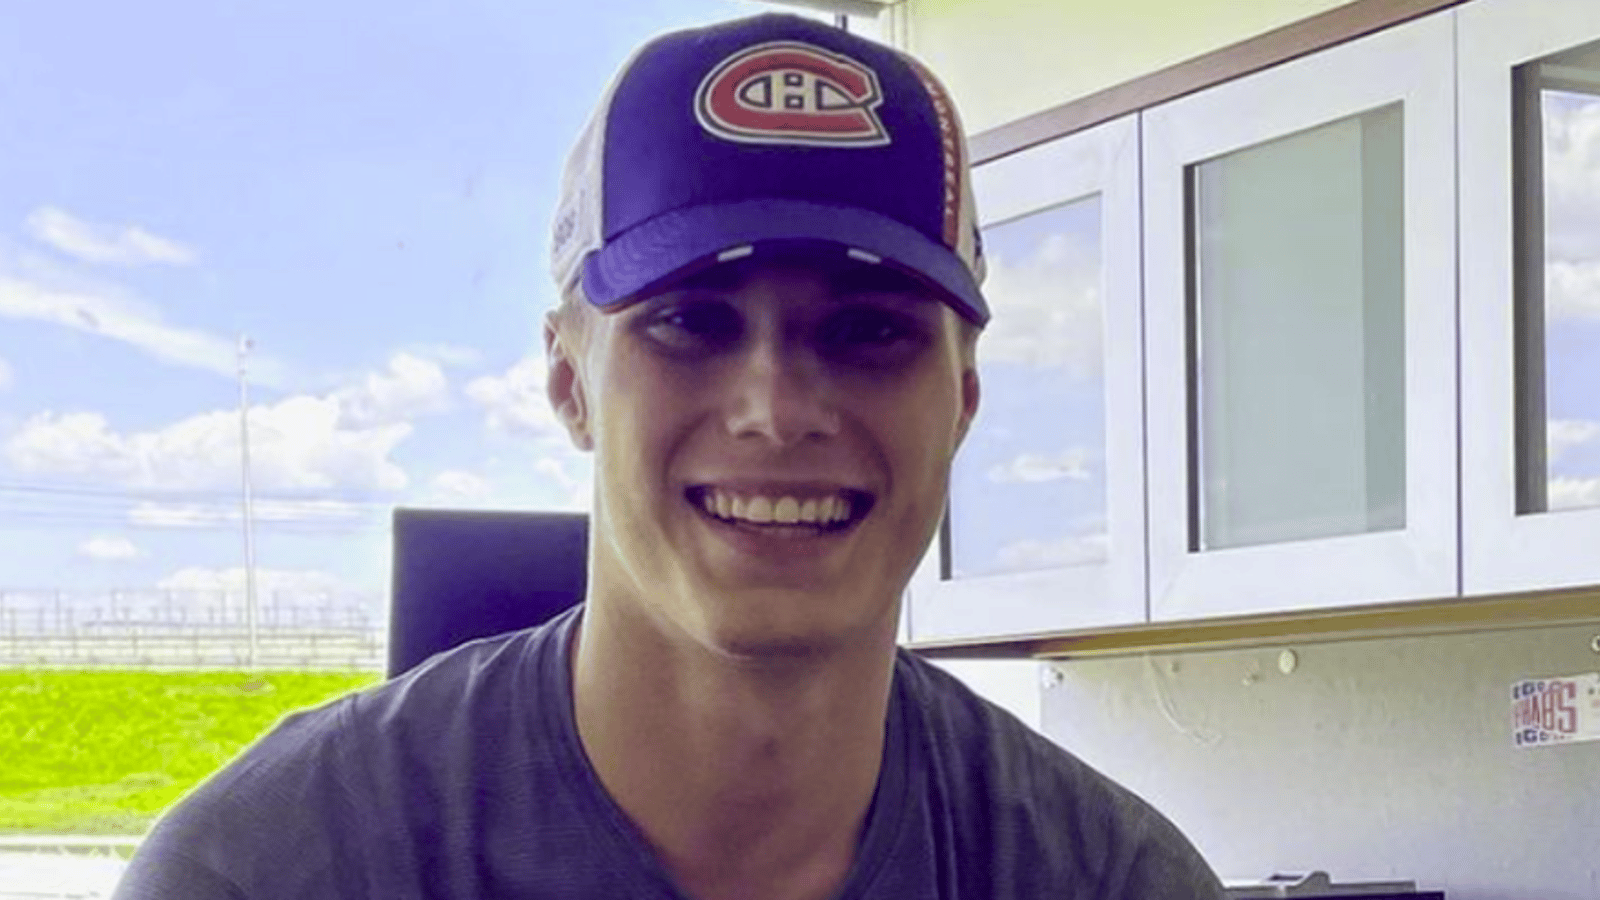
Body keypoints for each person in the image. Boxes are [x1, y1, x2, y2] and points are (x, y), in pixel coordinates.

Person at [114, 12, 1224, 900]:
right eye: (690, 321)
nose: (778, 410)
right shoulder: (271, 868)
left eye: (868, 329)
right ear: (568, 382)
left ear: (965, 398)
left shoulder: (1109, 877)